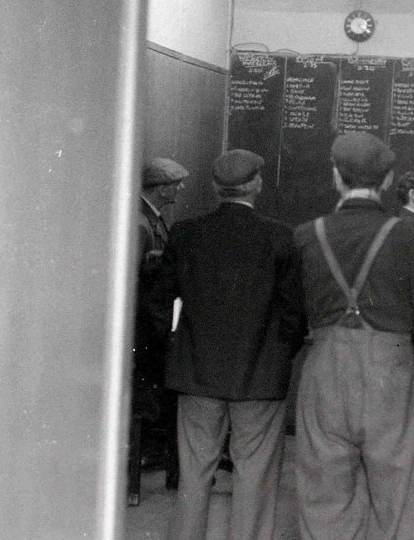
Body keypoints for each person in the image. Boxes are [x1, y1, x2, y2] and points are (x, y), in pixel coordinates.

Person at [293, 131, 414, 540]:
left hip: (324, 369)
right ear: (386, 180)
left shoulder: (307, 235)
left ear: (335, 177)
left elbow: (289, 321)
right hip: (391, 373)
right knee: (399, 503)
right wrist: (412, 378)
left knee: (323, 501)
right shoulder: (410, 235)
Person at [155, 149, 306, 540]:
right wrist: (276, 356)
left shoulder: (186, 234)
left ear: (214, 187)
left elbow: (157, 302)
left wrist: (177, 348)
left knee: (193, 475)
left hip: (196, 376)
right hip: (260, 378)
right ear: (256, 185)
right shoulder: (280, 237)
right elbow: (295, 314)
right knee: (255, 477)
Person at [131, 157, 189, 503]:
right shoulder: (140, 223)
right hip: (143, 331)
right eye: (177, 184)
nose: (180, 189)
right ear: (162, 187)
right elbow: (135, 283)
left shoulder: (150, 218)